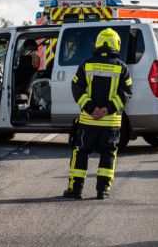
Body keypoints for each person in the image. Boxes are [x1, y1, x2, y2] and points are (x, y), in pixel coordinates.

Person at [63, 28, 132, 200]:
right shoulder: (122, 68)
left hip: (88, 121)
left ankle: (75, 190)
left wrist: (91, 108)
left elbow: (76, 88)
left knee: (81, 152)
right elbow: (127, 92)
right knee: (108, 154)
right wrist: (107, 109)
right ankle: (103, 190)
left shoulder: (86, 65)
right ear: (116, 44)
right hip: (110, 123)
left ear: (98, 43)